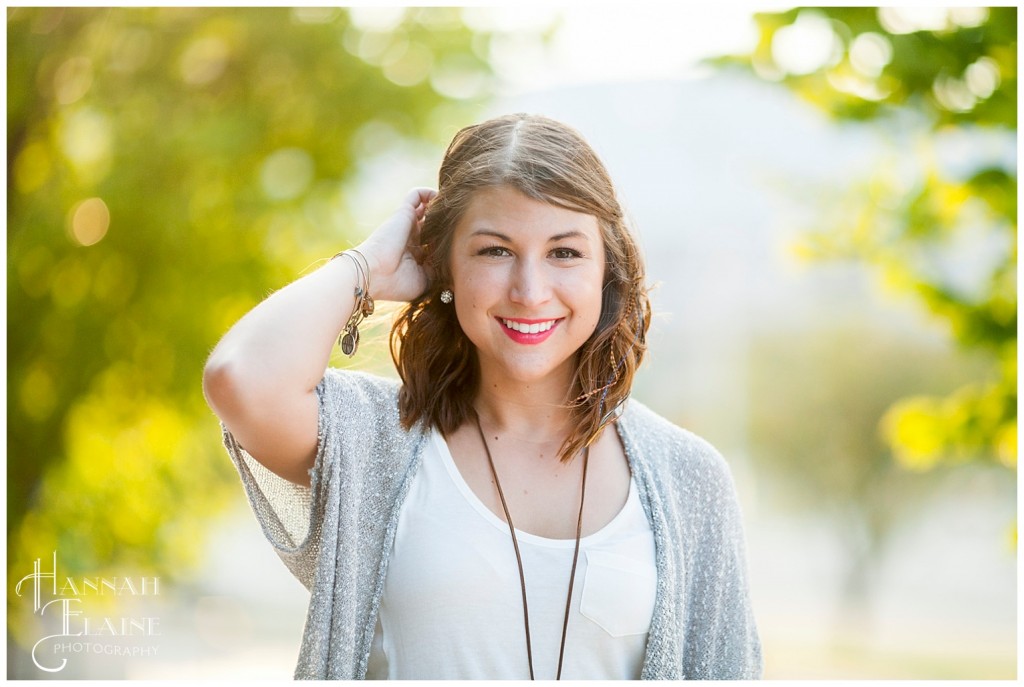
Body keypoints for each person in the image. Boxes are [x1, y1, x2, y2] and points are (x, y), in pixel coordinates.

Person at [203, 113, 762, 680]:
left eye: (564, 253)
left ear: (606, 270)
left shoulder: (688, 477)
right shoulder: (373, 441)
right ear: (444, 263)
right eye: (495, 251)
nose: (529, 291)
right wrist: (367, 268)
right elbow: (239, 378)